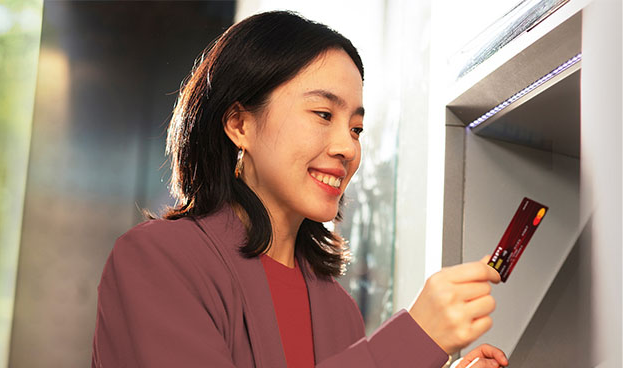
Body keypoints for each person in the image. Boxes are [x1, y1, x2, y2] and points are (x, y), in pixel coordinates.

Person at [91, 10, 509, 368]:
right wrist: (410, 343)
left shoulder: (337, 308)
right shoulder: (156, 261)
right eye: (323, 113)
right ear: (239, 124)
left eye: (356, 128)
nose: (347, 147)